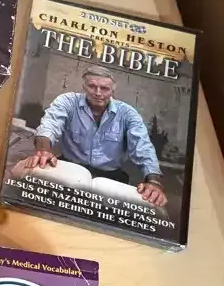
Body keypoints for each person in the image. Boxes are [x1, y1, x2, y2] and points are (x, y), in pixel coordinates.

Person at [17, 66, 167, 206]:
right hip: (69, 168)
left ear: (112, 91)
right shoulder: (67, 101)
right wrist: (43, 150)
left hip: (111, 175)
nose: (98, 93)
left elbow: (143, 147)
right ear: (84, 87)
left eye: (104, 88)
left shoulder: (128, 114)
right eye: (92, 86)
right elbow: (49, 125)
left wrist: (154, 182)